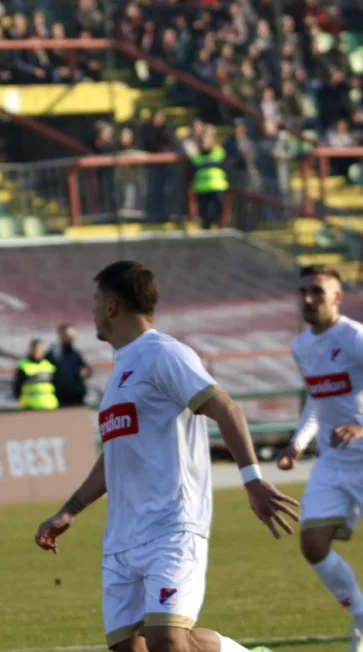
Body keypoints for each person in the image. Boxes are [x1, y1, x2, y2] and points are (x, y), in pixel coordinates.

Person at [34, 260, 298, 652]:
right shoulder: (120, 372)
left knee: (168, 639)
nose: (90, 310)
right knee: (130, 647)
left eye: (95, 300)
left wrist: (253, 479)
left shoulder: (165, 354)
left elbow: (227, 408)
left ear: (111, 306)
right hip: (122, 537)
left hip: (172, 526)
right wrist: (70, 509)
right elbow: (116, 455)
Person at [279, 264, 363, 646]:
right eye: (303, 292)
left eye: (317, 291)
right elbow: (317, 397)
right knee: (312, 545)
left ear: (338, 297)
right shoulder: (301, 347)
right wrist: (298, 442)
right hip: (332, 460)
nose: (308, 299)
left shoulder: (355, 338)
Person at [49, 324, 92, 407]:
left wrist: (86, 371)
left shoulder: (75, 353)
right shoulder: (54, 354)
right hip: (60, 399)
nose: (71, 338)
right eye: (68, 335)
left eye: (72, 335)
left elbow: (86, 369)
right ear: (60, 335)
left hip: (77, 398)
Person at [13, 339, 58, 410]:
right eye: (35, 349)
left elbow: (57, 384)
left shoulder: (49, 365)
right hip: (30, 406)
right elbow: (17, 387)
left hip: (50, 405)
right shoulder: (24, 365)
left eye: (40, 349)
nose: (37, 351)